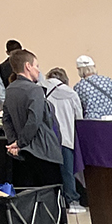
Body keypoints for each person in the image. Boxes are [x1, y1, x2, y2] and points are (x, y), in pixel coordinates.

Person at [2, 50, 65, 190]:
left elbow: (6, 119)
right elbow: (34, 120)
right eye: (36, 66)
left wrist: (14, 142)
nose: (38, 70)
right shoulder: (35, 90)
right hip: (43, 151)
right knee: (51, 195)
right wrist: (20, 142)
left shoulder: (10, 90)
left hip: (22, 154)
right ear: (28, 66)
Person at [41, 68, 86, 211]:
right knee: (68, 171)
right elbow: (79, 118)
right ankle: (73, 201)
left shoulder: (40, 91)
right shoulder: (71, 93)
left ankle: (51, 203)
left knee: (49, 172)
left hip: (46, 138)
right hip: (67, 137)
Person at [0, 40, 22, 104]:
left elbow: (0, 96)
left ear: (7, 52)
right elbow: (40, 84)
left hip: (10, 103)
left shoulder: (0, 68)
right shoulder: (30, 63)